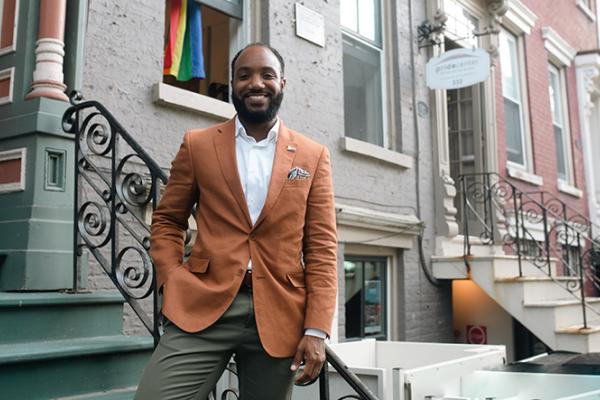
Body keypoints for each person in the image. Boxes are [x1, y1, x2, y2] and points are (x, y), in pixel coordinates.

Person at [134, 43, 338, 400]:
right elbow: (167, 220)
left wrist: (317, 328)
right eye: (245, 76)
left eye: (267, 75)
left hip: (279, 312)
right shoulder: (198, 145)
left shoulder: (313, 155)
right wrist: (172, 279)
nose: (256, 83)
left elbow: (321, 249)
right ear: (232, 84)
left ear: (283, 84)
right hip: (202, 304)